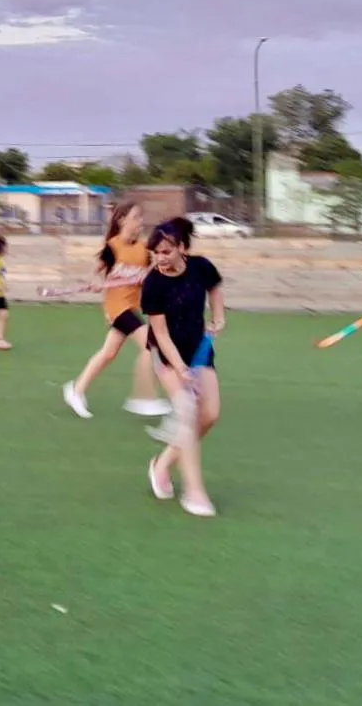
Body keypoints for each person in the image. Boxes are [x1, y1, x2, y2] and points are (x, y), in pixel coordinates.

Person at [140, 217, 224, 518]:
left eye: (166, 251)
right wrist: (180, 369)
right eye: (155, 253)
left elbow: (215, 289)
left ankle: (162, 464)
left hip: (199, 349)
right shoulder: (153, 284)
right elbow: (161, 335)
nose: (160, 258)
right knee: (187, 411)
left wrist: (218, 317)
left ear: (182, 249)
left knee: (210, 414)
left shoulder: (201, 267)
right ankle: (194, 491)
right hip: (166, 355)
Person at [62, 202, 170, 420]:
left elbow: (152, 273)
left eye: (141, 217)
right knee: (151, 345)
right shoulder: (112, 247)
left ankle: (76, 390)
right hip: (117, 308)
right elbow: (96, 271)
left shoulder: (143, 250)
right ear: (122, 220)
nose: (140, 221)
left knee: (108, 354)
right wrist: (94, 282)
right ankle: (144, 398)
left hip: (131, 306)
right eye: (136, 217)